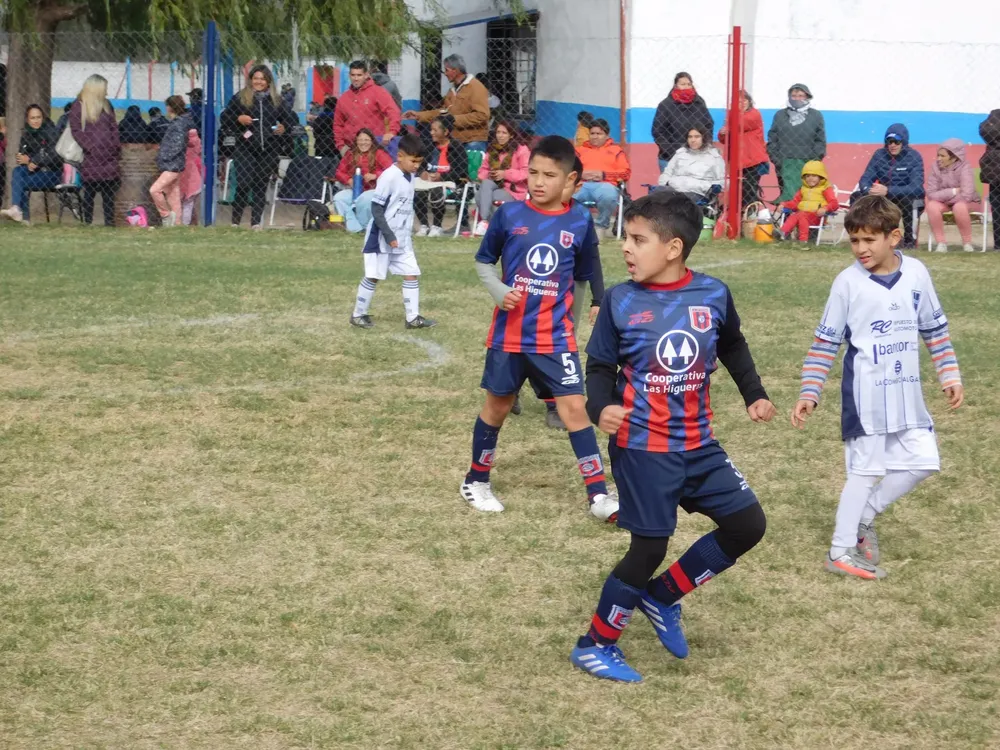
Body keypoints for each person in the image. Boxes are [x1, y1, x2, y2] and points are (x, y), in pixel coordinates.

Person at [570, 191, 774, 682]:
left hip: (699, 443)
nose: (626, 248)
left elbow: (732, 345)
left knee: (747, 525)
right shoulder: (620, 300)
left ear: (674, 247)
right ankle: (595, 643)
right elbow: (598, 367)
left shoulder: (713, 294)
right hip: (643, 446)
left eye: (638, 239)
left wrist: (754, 393)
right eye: (626, 238)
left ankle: (661, 597)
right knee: (649, 547)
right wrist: (601, 408)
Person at [792, 195, 963, 580]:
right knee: (866, 472)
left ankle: (865, 516)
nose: (861, 249)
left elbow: (935, 330)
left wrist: (949, 375)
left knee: (924, 462)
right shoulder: (847, 283)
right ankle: (840, 550)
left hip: (907, 395)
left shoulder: (917, 274)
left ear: (894, 237)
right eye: (854, 241)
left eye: (869, 240)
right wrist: (810, 391)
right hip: (865, 396)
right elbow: (825, 343)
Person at [462, 135, 617, 522]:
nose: (538, 181)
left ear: (571, 181)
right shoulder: (509, 215)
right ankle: (476, 481)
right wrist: (499, 292)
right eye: (532, 172)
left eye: (549, 174)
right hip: (509, 336)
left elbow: (581, 279)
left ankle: (598, 495)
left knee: (574, 410)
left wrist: (572, 326)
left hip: (555, 338)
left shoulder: (580, 220)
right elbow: (483, 262)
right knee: (497, 407)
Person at [515, 156, 606, 432]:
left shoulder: (579, 218)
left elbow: (592, 260)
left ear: (574, 184)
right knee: (519, 340)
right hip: (530, 291)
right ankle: (510, 389)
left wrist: (597, 299)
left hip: (569, 289)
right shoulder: (525, 213)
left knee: (558, 344)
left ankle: (555, 403)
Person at [349, 133, 435, 330]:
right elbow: (377, 209)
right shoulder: (389, 176)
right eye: (413, 161)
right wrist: (389, 235)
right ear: (400, 156)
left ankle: (413, 318)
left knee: (411, 273)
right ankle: (358, 314)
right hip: (381, 236)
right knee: (374, 275)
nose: (416, 165)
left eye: (419, 162)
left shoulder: (410, 175)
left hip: (402, 238)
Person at [220, 64, 298, 229]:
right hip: (245, 147)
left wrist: (283, 127)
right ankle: (235, 221)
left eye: (262, 79)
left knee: (260, 185)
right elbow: (225, 117)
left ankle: (256, 223)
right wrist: (238, 118)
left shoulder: (277, 100)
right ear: (250, 80)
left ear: (268, 81)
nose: (259, 82)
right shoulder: (240, 97)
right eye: (256, 78)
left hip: (268, 149)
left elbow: (291, 120)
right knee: (243, 183)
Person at [855, 124, 925, 248]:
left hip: (904, 196)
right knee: (856, 197)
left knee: (910, 200)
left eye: (896, 141)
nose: (892, 145)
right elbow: (865, 179)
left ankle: (909, 243)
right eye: (889, 141)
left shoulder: (914, 157)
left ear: (903, 142)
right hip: (883, 196)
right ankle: (862, 237)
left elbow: (917, 188)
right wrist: (869, 190)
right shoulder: (879, 155)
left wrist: (888, 190)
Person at [403, 54, 490, 150]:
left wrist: (453, 119)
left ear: (455, 71)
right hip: (456, 141)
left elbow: (482, 115)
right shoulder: (452, 90)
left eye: (447, 70)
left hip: (473, 141)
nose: (445, 73)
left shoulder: (476, 87)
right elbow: (443, 112)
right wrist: (418, 115)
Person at [70, 74, 121, 226]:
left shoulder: (107, 105)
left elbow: (114, 127)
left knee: (108, 195)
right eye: (104, 89)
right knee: (89, 194)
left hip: (109, 157)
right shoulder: (78, 106)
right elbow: (76, 130)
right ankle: (88, 222)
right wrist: (90, 146)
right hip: (91, 157)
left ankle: (109, 224)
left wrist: (115, 145)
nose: (106, 92)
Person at [0, 104, 62, 224]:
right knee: (17, 171)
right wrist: (23, 159)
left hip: (51, 173)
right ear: (27, 120)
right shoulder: (26, 133)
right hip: (34, 172)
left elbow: (55, 155)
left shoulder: (51, 131)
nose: (36, 121)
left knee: (20, 182)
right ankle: (17, 210)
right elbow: (21, 156)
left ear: (43, 118)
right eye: (32, 118)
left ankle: (22, 216)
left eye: (38, 117)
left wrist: (33, 160)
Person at [767, 83, 826, 202]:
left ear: (807, 97)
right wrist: (776, 159)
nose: (797, 99)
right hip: (784, 162)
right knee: (787, 197)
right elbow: (772, 137)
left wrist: (814, 161)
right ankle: (788, 219)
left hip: (807, 163)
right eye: (794, 96)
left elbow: (820, 140)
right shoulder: (780, 115)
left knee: (806, 196)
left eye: (800, 95)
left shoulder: (815, 115)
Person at [574, 118, 631, 237]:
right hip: (582, 184)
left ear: (606, 135)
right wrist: (580, 174)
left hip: (606, 184)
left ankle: (600, 227)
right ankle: (577, 226)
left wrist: (604, 175)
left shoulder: (616, 151)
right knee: (568, 196)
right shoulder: (580, 151)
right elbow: (568, 169)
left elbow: (626, 173)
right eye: (592, 133)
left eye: (599, 134)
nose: (595, 137)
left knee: (608, 196)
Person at [414, 114, 468, 237]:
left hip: (449, 182)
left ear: (446, 132)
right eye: (431, 130)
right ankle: (424, 225)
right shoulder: (429, 146)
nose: (431, 133)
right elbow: (420, 164)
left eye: (435, 130)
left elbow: (461, 170)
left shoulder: (456, 147)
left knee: (436, 191)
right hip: (429, 181)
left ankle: (437, 226)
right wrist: (422, 172)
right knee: (418, 192)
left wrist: (442, 177)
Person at [331, 128, 393, 233]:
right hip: (355, 189)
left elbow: (391, 171)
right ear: (356, 141)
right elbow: (339, 172)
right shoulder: (350, 154)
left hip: (374, 189)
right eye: (360, 140)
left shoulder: (379, 153)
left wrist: (375, 175)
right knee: (339, 198)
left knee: (364, 199)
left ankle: (364, 225)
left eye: (366, 140)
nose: (363, 143)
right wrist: (348, 180)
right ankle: (356, 228)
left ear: (372, 141)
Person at [333, 60, 401, 157]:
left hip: (374, 148)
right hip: (351, 149)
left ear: (366, 75)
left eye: (359, 75)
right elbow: (337, 124)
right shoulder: (344, 98)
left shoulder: (378, 92)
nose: (356, 78)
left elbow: (393, 112)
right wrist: (341, 146)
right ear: (349, 75)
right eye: (353, 75)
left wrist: (392, 132)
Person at [474, 120, 530, 235]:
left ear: (512, 135)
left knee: (482, 195)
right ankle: (485, 222)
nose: (500, 135)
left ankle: (488, 224)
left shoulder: (522, 150)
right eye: (498, 132)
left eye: (504, 133)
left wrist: (504, 174)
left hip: (513, 189)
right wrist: (490, 174)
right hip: (494, 184)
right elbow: (482, 171)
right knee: (485, 184)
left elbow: (526, 173)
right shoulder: (492, 149)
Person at [651, 72, 714, 170]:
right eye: (683, 84)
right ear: (676, 86)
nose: (686, 87)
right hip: (671, 158)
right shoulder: (666, 105)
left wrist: (705, 146)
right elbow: (658, 131)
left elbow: (708, 125)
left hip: (697, 157)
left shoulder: (699, 103)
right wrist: (673, 152)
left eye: (689, 84)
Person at [718, 90, 768, 210]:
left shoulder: (754, 114)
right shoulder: (732, 117)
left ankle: (750, 216)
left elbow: (741, 124)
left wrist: (729, 122)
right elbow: (725, 139)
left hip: (752, 160)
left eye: (744, 100)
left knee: (748, 191)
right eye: (738, 101)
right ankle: (743, 214)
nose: (742, 103)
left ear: (749, 101)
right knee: (738, 192)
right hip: (737, 161)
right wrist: (723, 133)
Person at [926, 138, 978, 253]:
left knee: (959, 207)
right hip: (943, 202)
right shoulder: (935, 168)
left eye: (943, 156)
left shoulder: (965, 167)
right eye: (938, 155)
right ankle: (941, 243)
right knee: (932, 206)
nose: (939, 159)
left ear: (954, 157)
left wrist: (943, 196)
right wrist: (953, 192)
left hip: (965, 202)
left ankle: (967, 243)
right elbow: (930, 193)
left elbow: (967, 194)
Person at [149, 95, 193, 227]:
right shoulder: (181, 122)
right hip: (176, 164)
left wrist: (163, 156)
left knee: (155, 190)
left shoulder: (178, 124)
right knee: (173, 195)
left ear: (170, 107)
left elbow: (177, 145)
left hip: (171, 165)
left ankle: (166, 215)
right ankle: (177, 223)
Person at [656, 124, 724, 203]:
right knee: (655, 194)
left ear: (704, 138)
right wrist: (667, 182)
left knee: (679, 201)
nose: (693, 140)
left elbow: (721, 181)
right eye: (690, 137)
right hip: (674, 189)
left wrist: (705, 188)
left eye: (697, 137)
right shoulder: (680, 153)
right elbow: (667, 173)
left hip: (697, 193)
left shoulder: (714, 157)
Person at [777, 160, 839, 242]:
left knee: (800, 215)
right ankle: (783, 233)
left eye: (814, 176)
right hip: (802, 215)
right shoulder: (803, 189)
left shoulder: (825, 189)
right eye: (808, 176)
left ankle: (802, 240)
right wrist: (784, 204)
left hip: (817, 216)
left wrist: (825, 208)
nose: (810, 178)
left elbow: (834, 203)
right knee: (795, 215)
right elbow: (795, 203)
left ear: (821, 177)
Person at [978, 109, 1000, 250]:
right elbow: (985, 131)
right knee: (997, 210)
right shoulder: (996, 115)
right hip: (995, 175)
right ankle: (998, 244)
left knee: (997, 209)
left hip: (994, 173)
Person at [181, 126, 204, 225]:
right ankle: (185, 223)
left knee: (178, 201)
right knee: (189, 204)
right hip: (194, 178)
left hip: (181, 175)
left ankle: (178, 222)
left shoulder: (181, 145)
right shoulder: (197, 145)